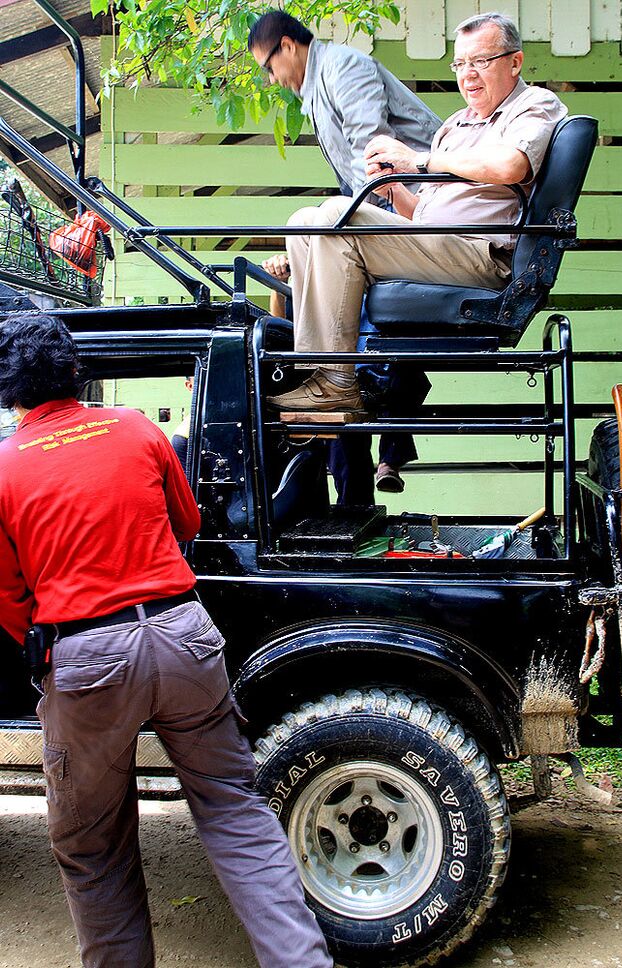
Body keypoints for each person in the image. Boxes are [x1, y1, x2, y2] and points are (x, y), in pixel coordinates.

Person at [0, 314, 332, 968]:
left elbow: (9, 597)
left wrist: (48, 657)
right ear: (76, 371)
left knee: (94, 847)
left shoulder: (5, 466)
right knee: (237, 816)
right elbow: (188, 519)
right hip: (185, 637)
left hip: (87, 659)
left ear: (8, 390)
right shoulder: (136, 429)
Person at [265, 12, 567, 414]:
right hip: (438, 246)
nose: (468, 75)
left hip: (480, 253)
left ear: (515, 62)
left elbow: (511, 167)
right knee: (304, 222)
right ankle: (318, 375)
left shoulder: (534, 104)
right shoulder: (456, 125)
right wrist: (392, 186)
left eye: (481, 62)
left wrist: (419, 160)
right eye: (460, 64)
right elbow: (421, 214)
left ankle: (336, 381)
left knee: (338, 213)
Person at [249, 9, 439, 495]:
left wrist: (330, 237)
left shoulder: (343, 68)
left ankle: (337, 379)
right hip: (394, 213)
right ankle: (331, 379)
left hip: (424, 212)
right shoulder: (319, 87)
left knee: (312, 223)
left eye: (268, 67)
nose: (271, 80)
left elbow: (373, 158)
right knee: (308, 227)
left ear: (288, 46)